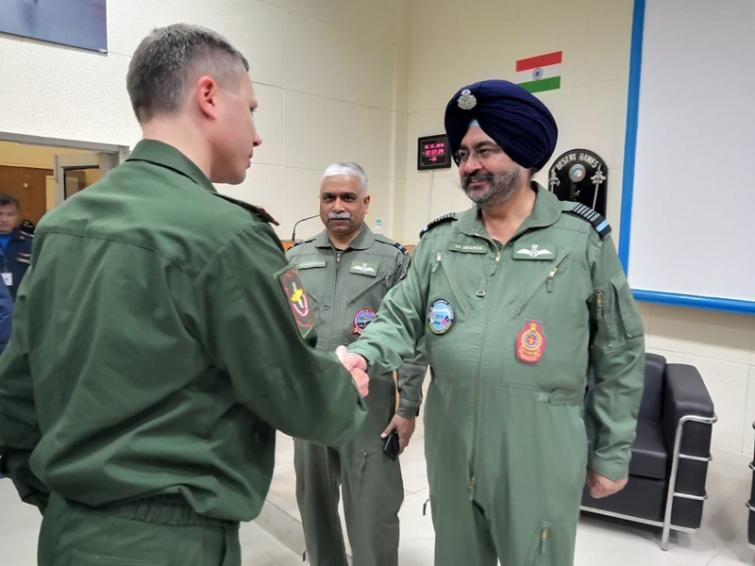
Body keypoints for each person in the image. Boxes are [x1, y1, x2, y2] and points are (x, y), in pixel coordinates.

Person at [0, 23, 369, 566]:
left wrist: (70, 506)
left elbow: (15, 395)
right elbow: (299, 397)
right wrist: (345, 387)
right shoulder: (228, 237)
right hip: (173, 542)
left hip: (67, 535)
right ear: (209, 96)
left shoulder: (61, 227)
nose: (258, 136)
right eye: (252, 109)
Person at [341, 79, 645, 566]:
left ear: (524, 155)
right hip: (452, 443)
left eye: (485, 150)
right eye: (462, 154)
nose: (469, 166)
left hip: (540, 447)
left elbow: (619, 351)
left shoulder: (580, 240)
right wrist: (362, 354)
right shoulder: (440, 242)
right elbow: (399, 315)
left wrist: (612, 451)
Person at [287, 162, 427, 566]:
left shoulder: (392, 259)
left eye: (348, 197)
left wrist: (407, 408)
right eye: (328, 198)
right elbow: (287, 331)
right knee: (314, 503)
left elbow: (414, 338)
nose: (338, 206)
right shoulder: (296, 258)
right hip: (313, 403)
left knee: (372, 509)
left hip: (370, 405)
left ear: (366, 202)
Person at [0, 193, 32, 300]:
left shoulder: (29, 243)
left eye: (10, 215)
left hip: (21, 302)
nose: (4, 219)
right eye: (0, 214)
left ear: (17, 216)